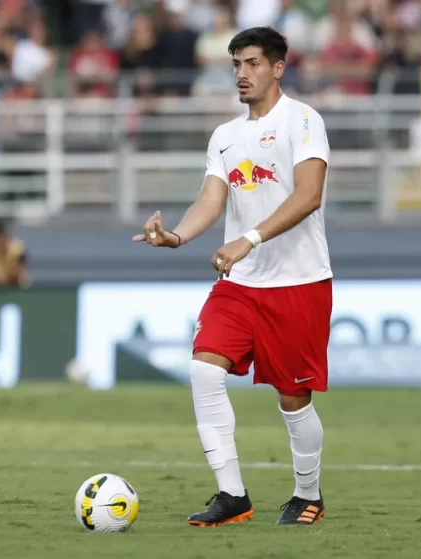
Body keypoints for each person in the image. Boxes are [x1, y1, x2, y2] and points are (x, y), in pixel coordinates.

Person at [133, 27, 332, 527]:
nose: (242, 74)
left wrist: (251, 238)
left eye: (252, 64)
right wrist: (176, 237)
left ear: (278, 68)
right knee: (203, 369)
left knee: (294, 398)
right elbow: (211, 200)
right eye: (237, 65)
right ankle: (232, 495)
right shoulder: (225, 136)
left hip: (299, 282)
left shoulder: (303, 121)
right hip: (240, 283)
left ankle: (308, 495)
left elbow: (309, 195)